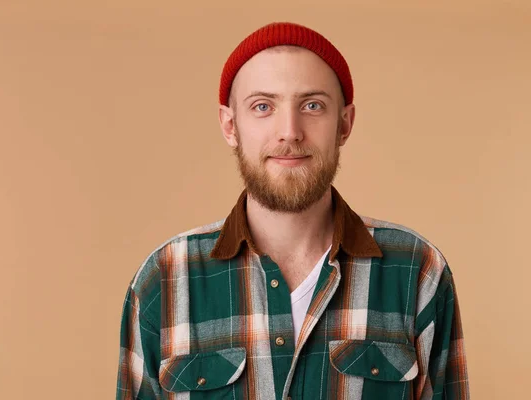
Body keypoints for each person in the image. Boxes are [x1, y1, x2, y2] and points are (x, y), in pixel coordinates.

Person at [116, 21, 469, 400]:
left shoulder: (417, 271)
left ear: (344, 124)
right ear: (230, 125)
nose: (290, 131)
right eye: (263, 106)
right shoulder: (163, 280)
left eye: (312, 105)